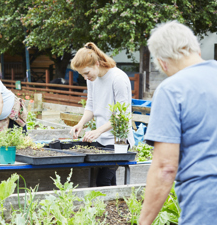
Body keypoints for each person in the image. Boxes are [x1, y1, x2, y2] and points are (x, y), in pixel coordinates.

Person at [138, 21, 217, 225]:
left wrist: (144, 221)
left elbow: (165, 168)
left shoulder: (172, 89)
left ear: (162, 62)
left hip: (206, 203)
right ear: (196, 48)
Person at [70, 42, 134, 186]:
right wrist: (80, 124)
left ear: (97, 63)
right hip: (101, 139)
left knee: (102, 181)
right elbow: (91, 105)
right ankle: (114, 207)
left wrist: (98, 131)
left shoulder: (118, 78)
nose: (85, 77)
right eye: (82, 75)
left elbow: (122, 115)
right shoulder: (92, 79)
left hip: (119, 141)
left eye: (86, 73)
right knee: (107, 181)